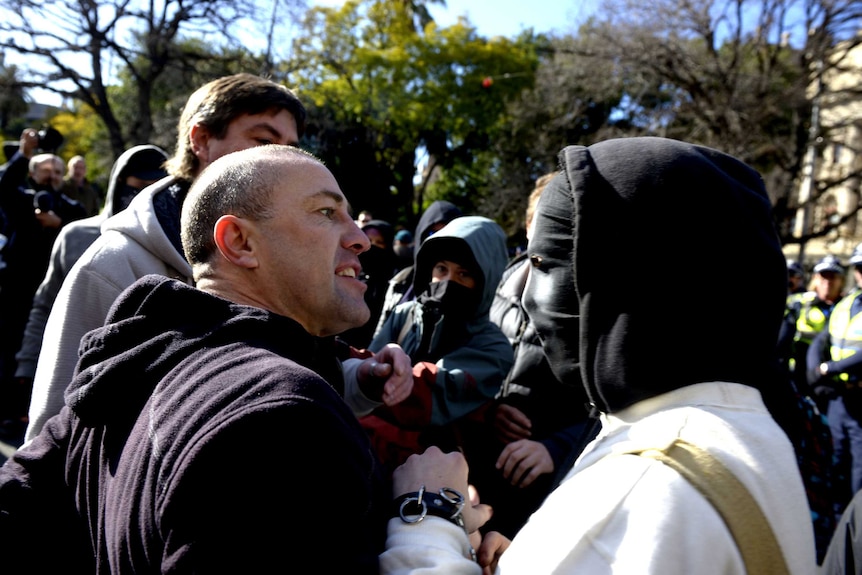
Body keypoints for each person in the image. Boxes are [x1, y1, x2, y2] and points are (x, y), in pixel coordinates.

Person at [380, 137, 817, 574]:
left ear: (630, 276)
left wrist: (428, 518)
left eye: (546, 264)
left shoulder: (636, 492)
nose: (530, 296)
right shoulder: (754, 429)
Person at [0, 144, 414, 573]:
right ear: (239, 242)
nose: (361, 238)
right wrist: (430, 513)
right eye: (327, 212)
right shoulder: (286, 415)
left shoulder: (117, 380)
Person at [24, 73, 308, 445]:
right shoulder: (115, 264)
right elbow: (51, 439)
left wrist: (360, 379)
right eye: (263, 140)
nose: (280, 159)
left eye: (291, 147)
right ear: (202, 139)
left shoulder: (282, 257)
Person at [470, 172, 599, 539]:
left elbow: (609, 407)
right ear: (529, 225)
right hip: (477, 473)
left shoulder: (594, 303)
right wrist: (489, 409)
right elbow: (466, 368)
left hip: (547, 493)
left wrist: (555, 449)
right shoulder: (493, 287)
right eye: (547, 219)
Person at [12, 145, 170, 408]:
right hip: (66, 376)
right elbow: (46, 306)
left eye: (156, 187)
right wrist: (27, 364)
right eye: (140, 185)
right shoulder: (76, 235)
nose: (146, 195)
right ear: (119, 183)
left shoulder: (177, 249)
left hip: (140, 391)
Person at [361, 215, 513, 475]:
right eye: (441, 269)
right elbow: (369, 369)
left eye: (463, 274)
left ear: (485, 282)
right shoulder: (405, 314)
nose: (447, 282)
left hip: (437, 476)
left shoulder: (493, 347)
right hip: (372, 457)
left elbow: (424, 396)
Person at [0, 141, 86, 433]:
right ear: (32, 173)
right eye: (45, 170)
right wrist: (23, 155)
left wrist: (59, 223)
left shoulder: (72, 209)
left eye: (57, 171)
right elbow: (3, 186)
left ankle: (33, 413)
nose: (51, 175)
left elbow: (84, 231)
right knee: (10, 349)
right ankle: (8, 412)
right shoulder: (20, 199)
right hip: (16, 291)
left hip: (53, 293)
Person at [807, 243, 862, 521]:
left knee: (860, 470)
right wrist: (814, 369)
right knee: (836, 460)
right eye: (860, 268)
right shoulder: (847, 304)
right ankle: (838, 525)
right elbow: (821, 338)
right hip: (839, 398)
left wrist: (829, 367)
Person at [374, 199, 463, 337]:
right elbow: (381, 332)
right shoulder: (400, 281)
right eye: (432, 234)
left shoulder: (465, 287)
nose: (440, 240)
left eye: (448, 233)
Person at [780, 254, 845, 398]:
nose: (827, 282)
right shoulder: (799, 303)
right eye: (823, 276)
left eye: (833, 277)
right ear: (815, 278)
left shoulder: (848, 307)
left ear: (842, 280)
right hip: (797, 376)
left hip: (834, 380)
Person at [340, 218, 399, 349]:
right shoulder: (345, 270)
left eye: (379, 243)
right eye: (369, 241)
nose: (373, 247)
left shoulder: (396, 280)